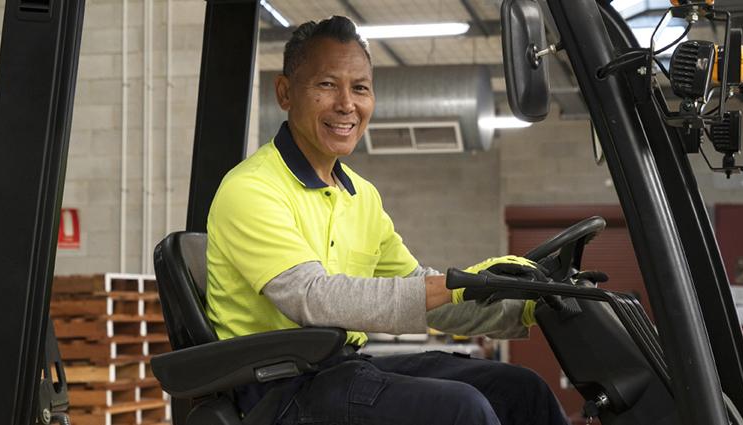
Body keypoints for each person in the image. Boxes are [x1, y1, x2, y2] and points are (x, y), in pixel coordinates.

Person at [204, 15, 567, 425]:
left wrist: (527, 303)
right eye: (326, 85)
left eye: (359, 88)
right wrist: (453, 286)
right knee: (460, 409)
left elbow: (424, 298)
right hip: (276, 390)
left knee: (522, 390)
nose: (346, 104)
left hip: (342, 369)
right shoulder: (252, 188)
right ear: (285, 93)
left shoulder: (362, 196)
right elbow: (313, 298)